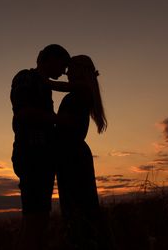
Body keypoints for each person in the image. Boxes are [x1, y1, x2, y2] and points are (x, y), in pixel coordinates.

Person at [10, 44, 70, 250]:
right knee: (35, 220)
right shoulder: (26, 77)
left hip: (39, 155)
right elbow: (23, 113)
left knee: (38, 218)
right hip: (31, 154)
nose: (63, 72)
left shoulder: (42, 84)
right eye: (63, 65)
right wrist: (58, 120)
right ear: (50, 59)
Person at [49, 55, 112, 249]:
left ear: (80, 70)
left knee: (79, 206)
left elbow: (60, 88)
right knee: (75, 205)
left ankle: (88, 242)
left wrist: (42, 81)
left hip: (73, 154)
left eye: (70, 69)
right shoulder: (83, 91)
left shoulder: (82, 89)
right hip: (71, 153)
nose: (67, 74)